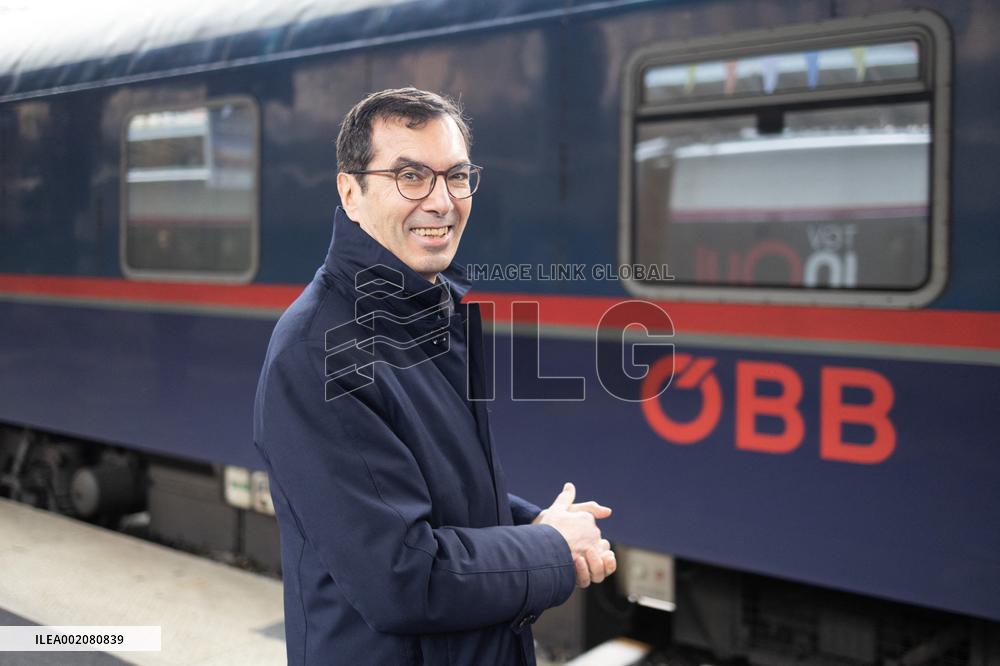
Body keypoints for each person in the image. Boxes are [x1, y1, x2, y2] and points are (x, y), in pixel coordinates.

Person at [253, 87, 616, 666]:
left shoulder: (432, 313)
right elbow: (404, 577)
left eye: (457, 176)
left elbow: (434, 494)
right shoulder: (318, 354)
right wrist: (548, 548)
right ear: (350, 192)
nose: (442, 201)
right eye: (411, 176)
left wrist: (539, 526)